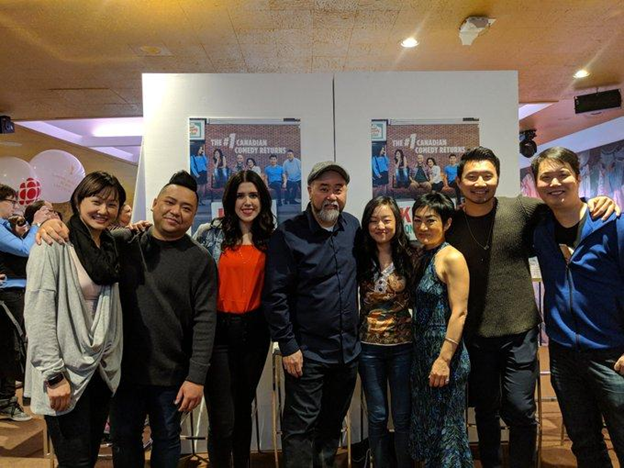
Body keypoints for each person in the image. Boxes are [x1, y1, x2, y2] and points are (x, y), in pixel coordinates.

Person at [448, 146, 618, 468]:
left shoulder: (524, 210)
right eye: (472, 176)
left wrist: (598, 201)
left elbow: (566, 206)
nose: (480, 182)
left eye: (488, 175)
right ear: (459, 182)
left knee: (521, 410)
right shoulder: (452, 224)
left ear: (498, 177)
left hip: (520, 330)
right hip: (475, 334)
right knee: (485, 410)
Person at [37, 171, 218, 468]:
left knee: (167, 439)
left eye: (186, 208)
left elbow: (205, 320)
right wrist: (47, 221)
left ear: (194, 214)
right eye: (170, 203)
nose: (176, 211)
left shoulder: (200, 260)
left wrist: (196, 377)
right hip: (118, 371)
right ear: (156, 203)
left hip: (172, 373)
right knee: (123, 438)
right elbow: (82, 236)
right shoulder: (121, 243)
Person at [24, 172, 126, 467]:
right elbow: (38, 312)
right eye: (96, 201)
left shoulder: (110, 247)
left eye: (112, 204)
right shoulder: (54, 244)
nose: (104, 211)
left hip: (100, 370)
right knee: (75, 461)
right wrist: (53, 375)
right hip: (65, 372)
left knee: (88, 457)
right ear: (79, 201)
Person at [263, 161, 360, 467]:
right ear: (309, 191)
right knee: (300, 428)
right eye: (323, 189)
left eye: (338, 189)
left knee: (331, 427)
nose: (331, 196)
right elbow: (274, 295)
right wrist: (289, 346)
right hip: (308, 353)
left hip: (347, 352)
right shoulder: (288, 234)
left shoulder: (353, 227)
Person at [531, 147, 624, 467]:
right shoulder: (541, 229)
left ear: (578, 177)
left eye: (563, 174)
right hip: (564, 355)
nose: (555, 182)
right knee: (585, 444)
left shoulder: (613, 224)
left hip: (612, 354)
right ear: (536, 184)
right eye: (546, 177)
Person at [193, 170, 275, 467]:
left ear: (262, 200)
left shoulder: (272, 240)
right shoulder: (208, 234)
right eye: (240, 195)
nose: (247, 201)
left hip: (255, 332)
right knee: (222, 417)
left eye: (253, 195)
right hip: (218, 333)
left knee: (243, 409)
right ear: (230, 200)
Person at [410, 193, 472, 467]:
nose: (422, 227)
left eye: (430, 220)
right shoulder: (423, 254)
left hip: (444, 357)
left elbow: (459, 312)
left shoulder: (452, 257)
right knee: (429, 429)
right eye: (418, 220)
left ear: (447, 223)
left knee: (447, 431)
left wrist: (444, 359)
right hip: (422, 353)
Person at [357, 196, 414, 468]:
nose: (380, 226)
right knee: (378, 416)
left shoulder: (411, 254)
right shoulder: (359, 255)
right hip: (368, 349)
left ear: (397, 222)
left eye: (386, 219)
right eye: (374, 220)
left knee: (403, 416)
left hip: (404, 346)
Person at [0, 185, 52, 422]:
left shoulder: (6, 226)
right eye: (12, 201)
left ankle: (8, 399)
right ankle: (8, 399)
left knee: (12, 347)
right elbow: (25, 249)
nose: (15, 206)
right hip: (9, 292)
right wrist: (38, 225)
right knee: (14, 347)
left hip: (19, 289)